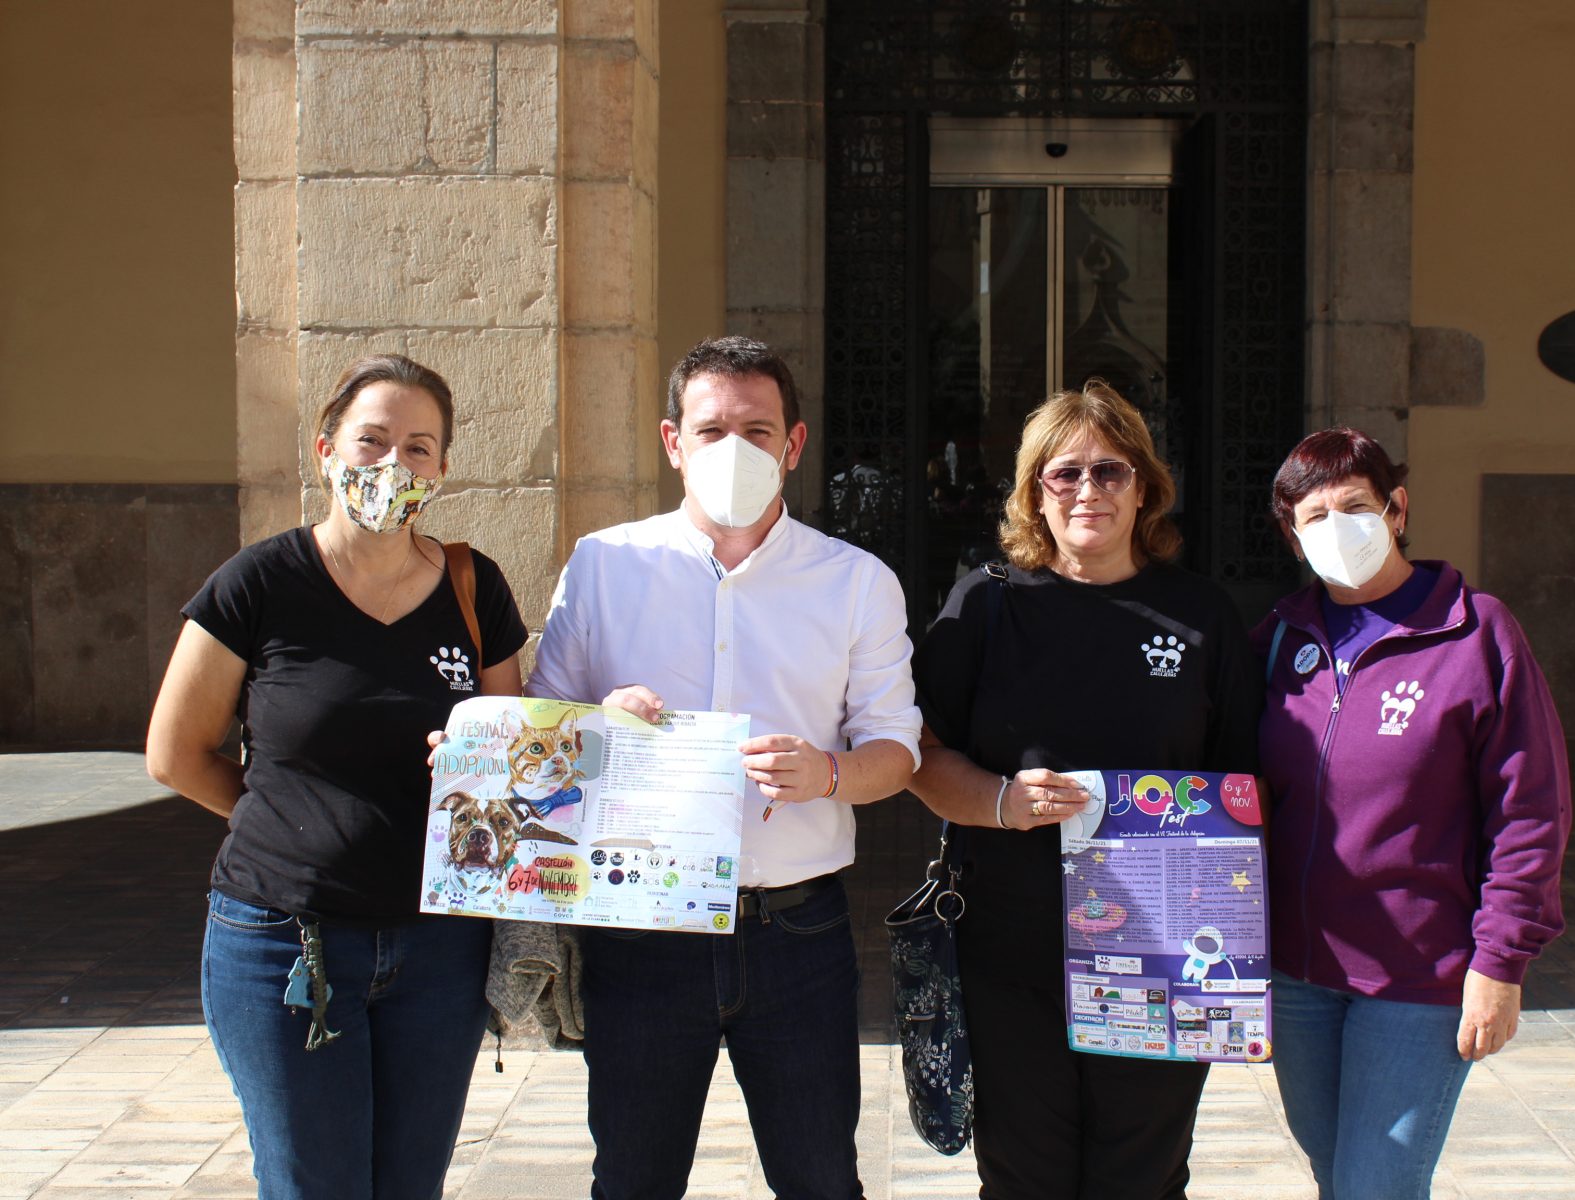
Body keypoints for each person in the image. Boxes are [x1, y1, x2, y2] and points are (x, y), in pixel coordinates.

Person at [525, 335, 922, 1200]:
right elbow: (539, 734)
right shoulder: (604, 564)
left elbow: (896, 753)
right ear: (674, 442)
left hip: (797, 933)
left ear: (794, 444)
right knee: (632, 1180)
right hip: (643, 932)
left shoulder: (855, 581)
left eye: (757, 430)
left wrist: (829, 774)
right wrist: (598, 723)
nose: (733, 448)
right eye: (711, 430)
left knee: (822, 1179)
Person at [146, 355, 528, 1199]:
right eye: (372, 441)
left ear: (442, 469)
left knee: (409, 1185)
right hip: (285, 943)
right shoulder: (258, 584)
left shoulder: (475, 588)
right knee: (314, 1185)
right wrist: (286, 822)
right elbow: (176, 752)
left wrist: (480, 760)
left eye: (419, 447)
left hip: (439, 951)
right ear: (326, 451)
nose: (393, 464)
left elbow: (512, 754)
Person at [908, 380, 1262, 1200]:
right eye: (1064, 473)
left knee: (1142, 1178)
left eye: (1110, 471)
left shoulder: (1202, 614)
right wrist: (1000, 801)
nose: (1087, 490)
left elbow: (1245, 788)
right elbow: (919, 755)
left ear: (1145, 488)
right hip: (1012, 950)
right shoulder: (984, 604)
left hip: (1167, 952)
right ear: (1036, 494)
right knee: (1022, 1178)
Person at [1254, 427, 1571, 1200]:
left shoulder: (1476, 632)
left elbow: (1530, 812)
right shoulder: (1278, 640)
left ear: (1396, 509)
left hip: (1417, 977)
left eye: (1354, 507)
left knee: (1377, 1187)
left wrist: (1500, 963)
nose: (1337, 530)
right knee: (1338, 1179)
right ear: (1292, 536)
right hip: (1296, 975)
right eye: (1315, 517)